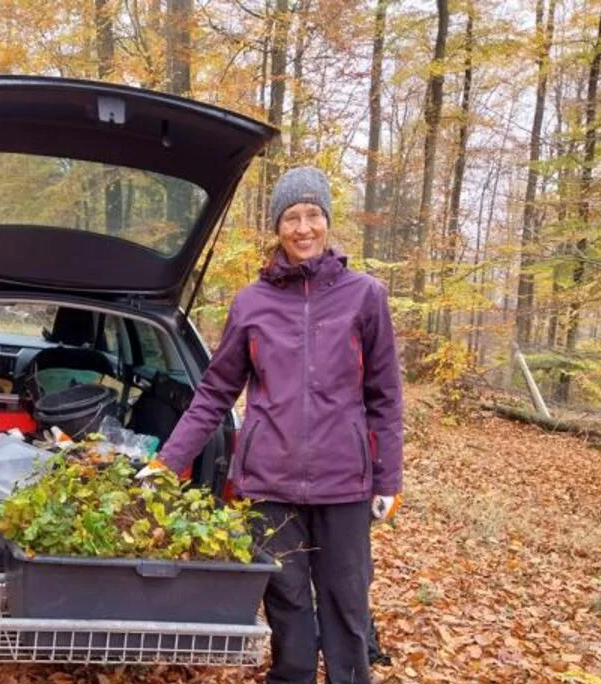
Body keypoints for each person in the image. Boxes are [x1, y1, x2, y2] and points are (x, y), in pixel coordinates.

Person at [155, 167, 403, 684]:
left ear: (328, 222)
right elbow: (215, 392)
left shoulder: (365, 296)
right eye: (292, 217)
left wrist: (388, 478)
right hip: (269, 483)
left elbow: (385, 396)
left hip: (344, 483)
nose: (303, 227)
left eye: (313, 215)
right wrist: (168, 460)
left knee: (346, 602)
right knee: (286, 604)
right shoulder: (251, 303)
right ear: (277, 226)